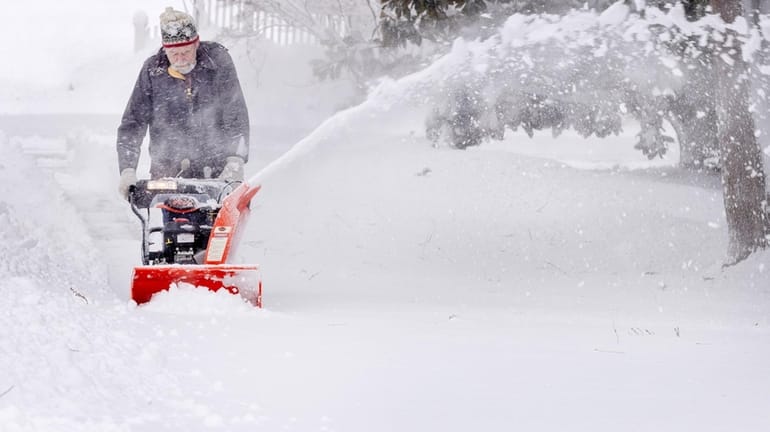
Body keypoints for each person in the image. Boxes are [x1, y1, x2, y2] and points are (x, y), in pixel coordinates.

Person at [117, 7, 250, 198]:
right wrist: (127, 169)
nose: (180, 60)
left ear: (196, 43)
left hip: (215, 171)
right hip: (168, 171)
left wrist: (235, 159)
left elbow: (234, 111)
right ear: (165, 49)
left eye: (186, 52)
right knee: (174, 227)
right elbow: (133, 123)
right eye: (174, 54)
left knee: (213, 225)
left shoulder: (217, 62)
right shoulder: (153, 71)